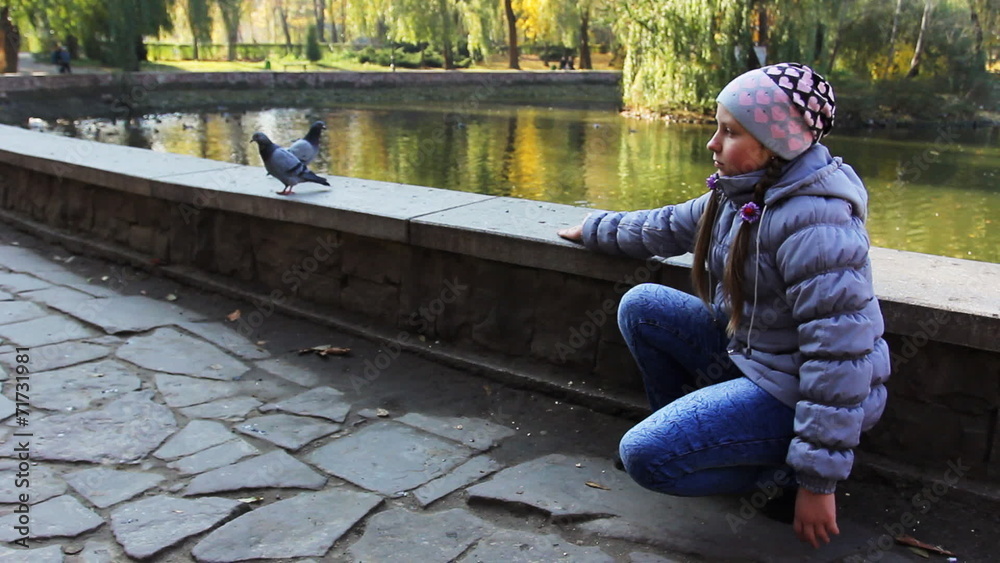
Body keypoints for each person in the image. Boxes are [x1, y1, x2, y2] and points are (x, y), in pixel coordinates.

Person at [557, 62, 890, 549]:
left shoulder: (816, 225)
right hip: (753, 359)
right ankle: (696, 442)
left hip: (794, 393)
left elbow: (839, 357)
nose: (713, 143)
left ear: (775, 142)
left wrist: (819, 483)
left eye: (729, 132)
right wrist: (594, 230)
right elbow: (664, 225)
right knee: (642, 305)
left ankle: (780, 479)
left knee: (645, 458)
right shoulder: (740, 192)